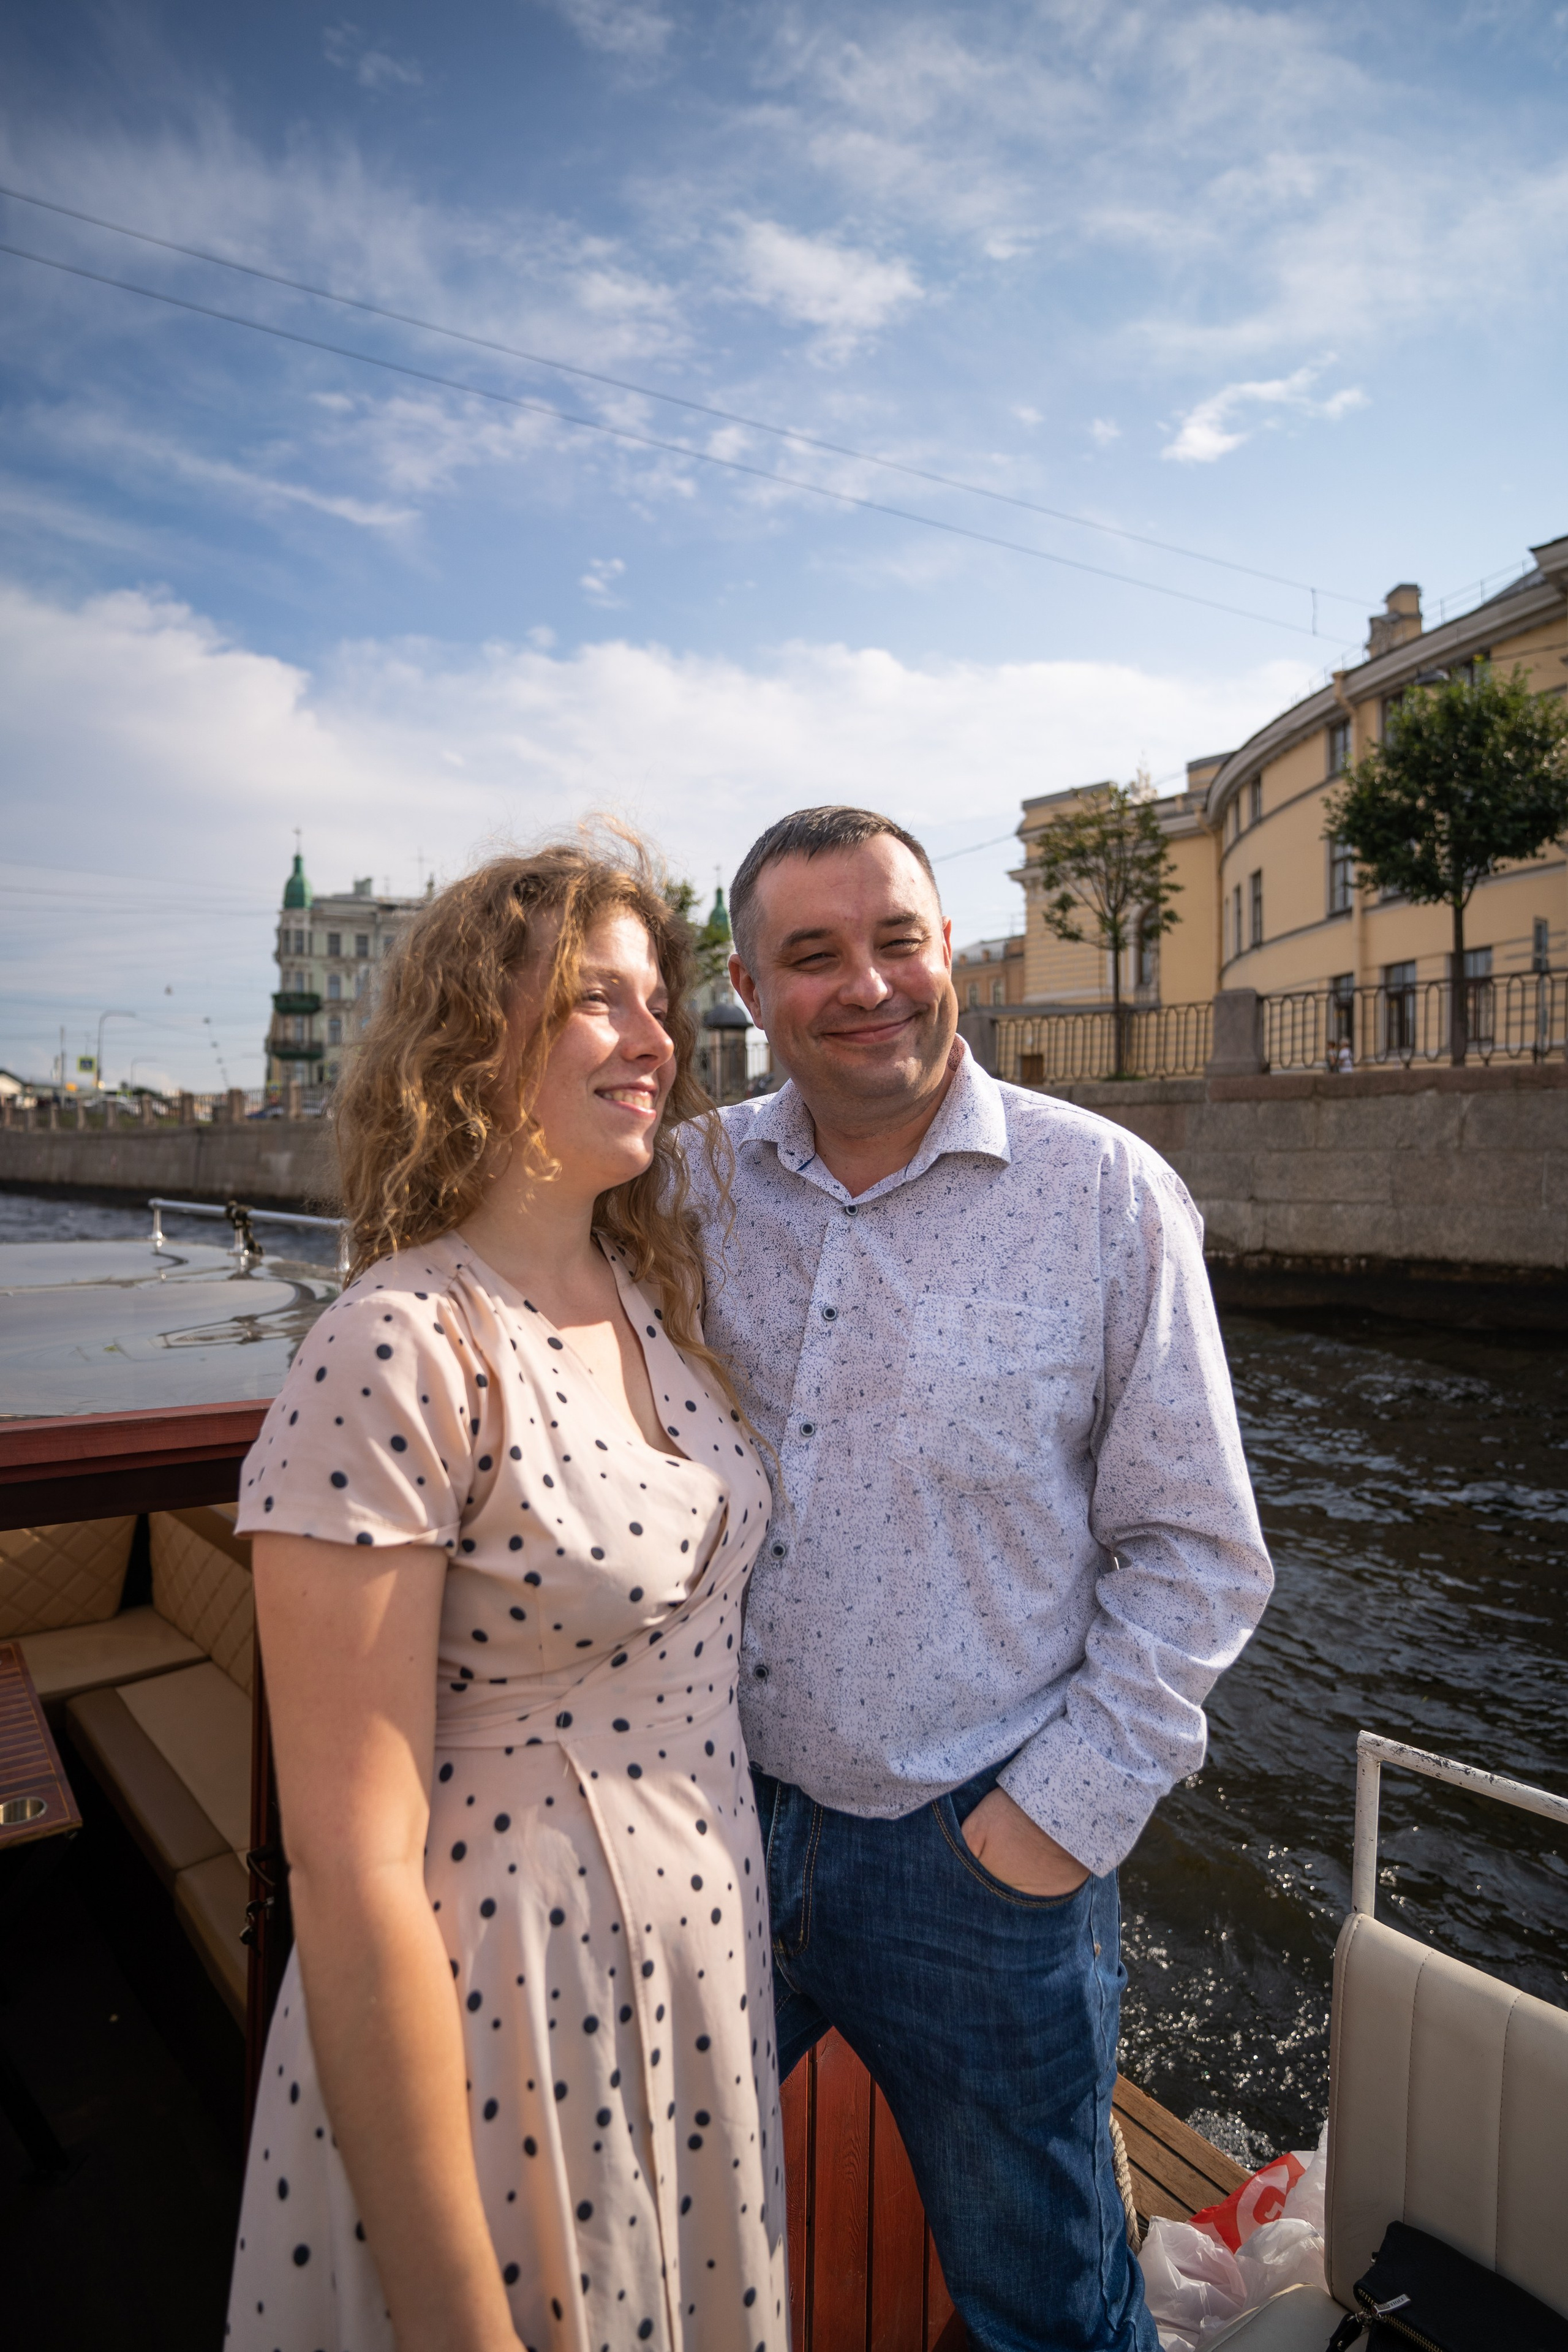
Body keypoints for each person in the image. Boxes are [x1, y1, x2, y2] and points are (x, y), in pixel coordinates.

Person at [687, 807, 1274, 2352]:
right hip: (716, 1831)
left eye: (896, 939)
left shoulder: (1101, 1193)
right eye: (812, 954)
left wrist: (1050, 1824)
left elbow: (1195, 1549)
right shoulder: (690, 1186)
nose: (866, 982)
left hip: (974, 1859)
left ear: (945, 948)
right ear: (747, 988)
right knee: (644, 2230)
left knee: (1047, 2307)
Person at [228, 844, 786, 2352]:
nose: (656, 1037)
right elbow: (348, 1869)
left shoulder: (655, 1301)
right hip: (509, 2007)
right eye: (598, 999)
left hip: (694, 1971)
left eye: (658, 1001)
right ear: (476, 1037)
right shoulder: (396, 1345)